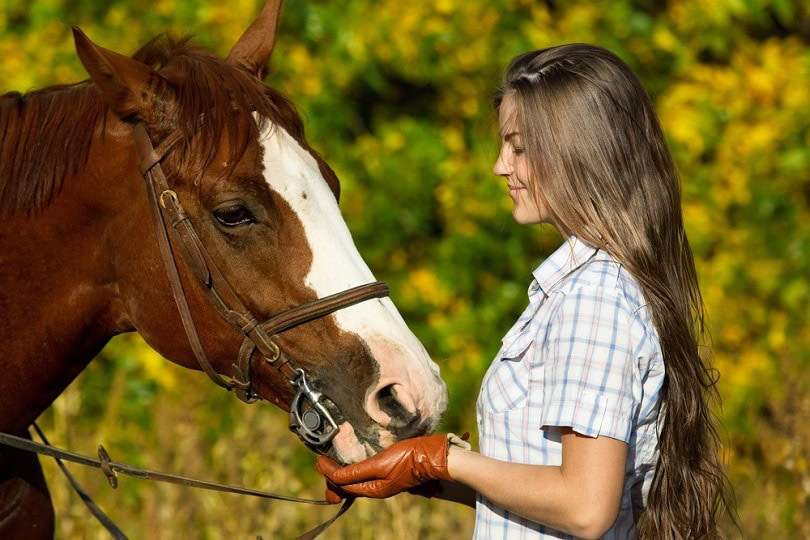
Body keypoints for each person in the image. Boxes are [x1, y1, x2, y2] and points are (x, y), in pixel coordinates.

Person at [317, 44, 732, 539]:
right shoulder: (580, 289)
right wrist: (420, 471)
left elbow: (584, 506)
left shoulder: (593, 297)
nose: (499, 165)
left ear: (576, 149)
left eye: (518, 147)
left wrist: (445, 460)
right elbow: (543, 487)